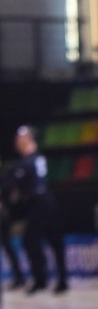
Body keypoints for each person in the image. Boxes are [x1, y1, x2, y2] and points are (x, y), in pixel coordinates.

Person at [7, 126, 68, 294]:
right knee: (49, 241)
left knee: (34, 240)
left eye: (19, 139)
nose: (16, 143)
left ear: (27, 140)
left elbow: (14, 184)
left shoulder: (27, 162)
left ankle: (43, 280)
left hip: (39, 202)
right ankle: (54, 279)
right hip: (47, 200)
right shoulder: (37, 158)